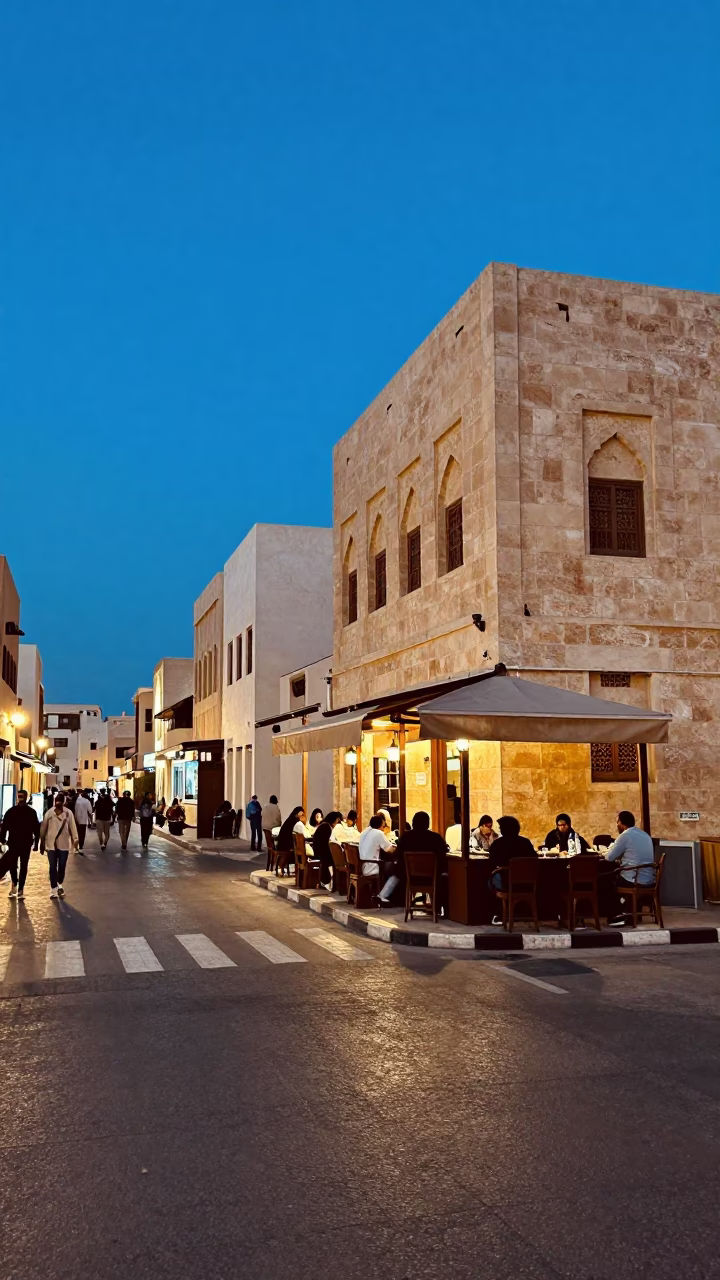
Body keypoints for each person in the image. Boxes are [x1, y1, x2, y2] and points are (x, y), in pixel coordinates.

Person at [605, 810, 656, 926]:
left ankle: (617, 916)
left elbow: (609, 857)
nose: (617, 825)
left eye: (617, 822)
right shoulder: (645, 835)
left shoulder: (625, 836)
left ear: (622, 823)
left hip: (634, 879)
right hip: (649, 879)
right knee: (616, 876)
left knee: (605, 882)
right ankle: (630, 913)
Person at [392, 810, 449, 910]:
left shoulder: (406, 837)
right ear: (427, 823)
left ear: (413, 823)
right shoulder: (435, 838)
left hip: (410, 878)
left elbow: (397, 854)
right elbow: (444, 854)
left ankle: (403, 902)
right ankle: (439, 907)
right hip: (432, 878)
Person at [487, 816, 538, 923]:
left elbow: (492, 863)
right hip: (527, 883)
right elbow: (535, 859)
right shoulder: (525, 843)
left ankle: (497, 913)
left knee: (490, 879)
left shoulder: (497, 845)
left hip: (505, 883)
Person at [0, 788, 41, 900]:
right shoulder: (15, 811)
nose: (20, 798)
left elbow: (36, 829)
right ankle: (16, 884)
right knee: (14, 865)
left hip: (23, 843)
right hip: (16, 843)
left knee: (22, 866)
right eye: (19, 796)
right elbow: (4, 827)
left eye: (22, 796)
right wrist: (2, 839)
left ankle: (19, 888)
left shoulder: (17, 811)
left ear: (26, 797)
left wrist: (37, 843)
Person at [39, 793, 79, 898]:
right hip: (51, 844)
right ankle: (53, 889)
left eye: (60, 801)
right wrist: (41, 842)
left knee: (62, 866)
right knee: (52, 867)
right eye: (57, 800)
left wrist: (75, 839)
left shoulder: (68, 813)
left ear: (63, 802)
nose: (58, 802)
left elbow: (72, 827)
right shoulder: (49, 813)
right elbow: (43, 828)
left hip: (64, 844)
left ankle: (59, 883)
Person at [358, 814, 396, 902]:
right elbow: (389, 850)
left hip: (362, 865)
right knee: (394, 867)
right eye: (383, 826)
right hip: (373, 866)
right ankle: (384, 895)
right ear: (379, 826)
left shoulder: (364, 832)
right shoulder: (378, 833)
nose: (383, 828)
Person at [311, 811, 343, 887]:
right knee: (339, 858)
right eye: (337, 820)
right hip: (321, 852)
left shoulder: (324, 825)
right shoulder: (326, 827)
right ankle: (338, 883)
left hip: (320, 850)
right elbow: (325, 844)